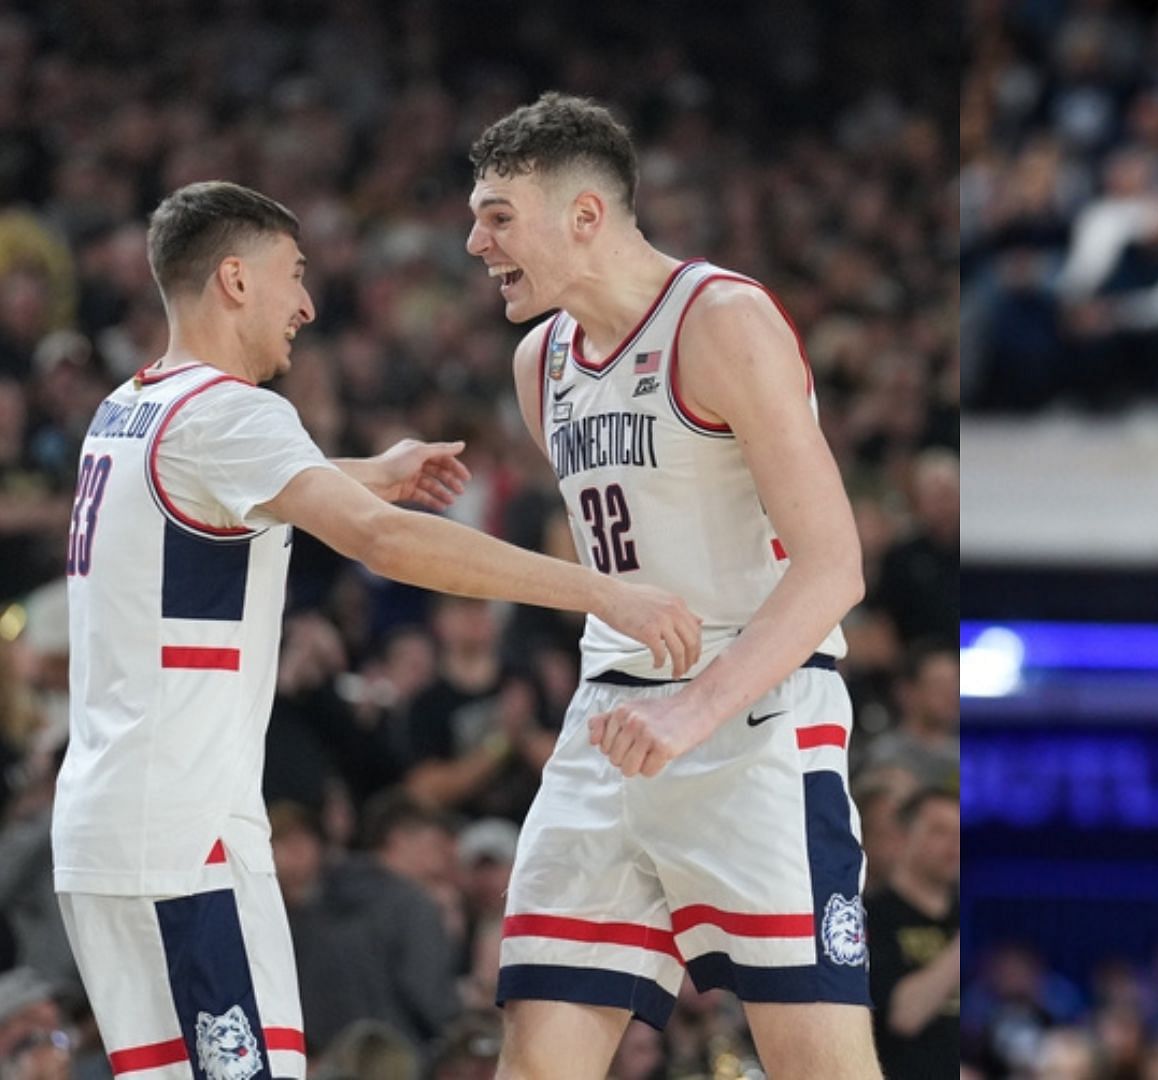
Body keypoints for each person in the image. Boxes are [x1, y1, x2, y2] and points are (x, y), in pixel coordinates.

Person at [52, 180, 703, 1080]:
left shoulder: (129, 408)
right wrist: (604, 591)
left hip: (104, 828)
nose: (308, 305)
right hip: (183, 832)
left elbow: (221, 492)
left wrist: (366, 471)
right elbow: (383, 544)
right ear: (235, 280)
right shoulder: (231, 412)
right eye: (294, 276)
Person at [462, 94, 876, 1078]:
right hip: (609, 724)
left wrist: (694, 711)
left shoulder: (722, 320)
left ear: (587, 215)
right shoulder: (541, 362)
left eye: (498, 216)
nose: (475, 242)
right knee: (534, 1059)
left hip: (758, 721)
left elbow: (835, 568)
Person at [865, 785, 960, 1079]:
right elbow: (904, 1016)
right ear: (903, 837)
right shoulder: (871, 915)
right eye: (939, 831)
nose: (954, 845)